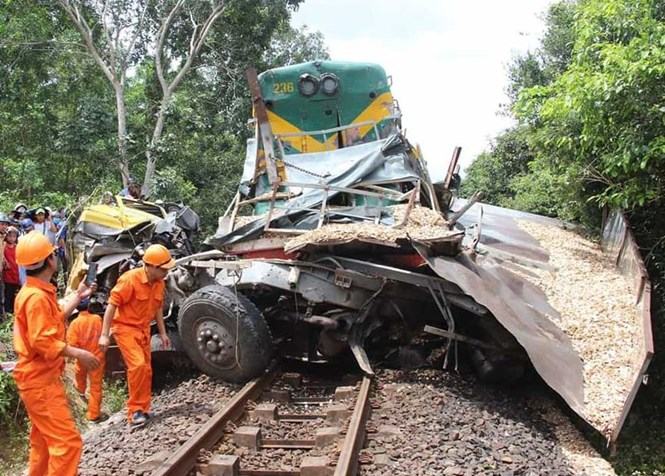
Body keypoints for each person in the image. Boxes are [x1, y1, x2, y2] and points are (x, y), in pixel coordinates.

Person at [13, 231, 99, 475]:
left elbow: (52, 320)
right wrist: (79, 353)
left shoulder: (34, 292)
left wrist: (78, 295)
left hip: (37, 379)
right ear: (50, 260)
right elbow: (43, 341)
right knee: (67, 443)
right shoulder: (36, 298)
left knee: (42, 444)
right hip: (40, 382)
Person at [98, 244, 173, 426]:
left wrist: (163, 333)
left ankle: (144, 409)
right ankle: (135, 411)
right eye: (164, 269)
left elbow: (157, 309)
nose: (167, 273)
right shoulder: (129, 280)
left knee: (146, 370)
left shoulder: (159, 282)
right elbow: (111, 305)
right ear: (152, 267)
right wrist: (104, 335)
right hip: (125, 329)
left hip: (143, 330)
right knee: (138, 366)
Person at [67, 299, 106, 422]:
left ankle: (80, 391)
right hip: (97, 358)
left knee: (80, 374)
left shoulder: (75, 323)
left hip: (82, 357)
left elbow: (72, 344)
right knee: (96, 387)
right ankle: (93, 415)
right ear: (89, 307)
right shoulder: (97, 319)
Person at [3, 226, 20, 314]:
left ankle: (13, 311)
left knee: (15, 293)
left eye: (14, 236)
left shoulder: (17, 247)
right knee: (8, 293)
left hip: (16, 273)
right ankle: (7, 311)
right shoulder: (4, 247)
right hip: (8, 274)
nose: (12, 238)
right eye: (10, 236)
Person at [0, 213, 9, 319]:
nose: (4, 227)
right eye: (2, 224)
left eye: (5, 224)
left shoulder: (3, 238)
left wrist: (4, 260)